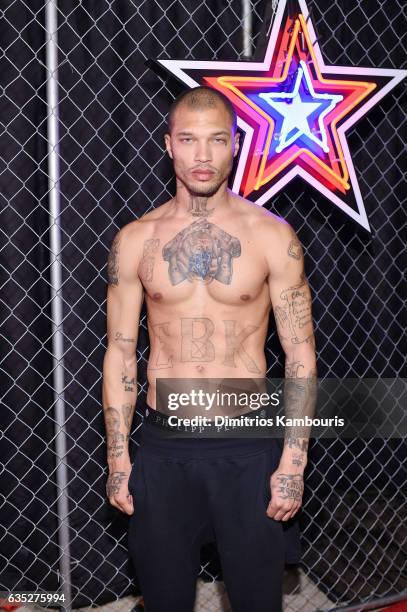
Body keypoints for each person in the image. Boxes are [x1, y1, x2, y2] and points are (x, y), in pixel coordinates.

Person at [102, 86, 317, 612]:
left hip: (247, 444)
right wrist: (118, 455)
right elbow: (121, 353)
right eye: (189, 140)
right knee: (165, 598)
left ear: (235, 146)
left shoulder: (273, 236)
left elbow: (301, 356)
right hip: (163, 443)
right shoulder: (135, 239)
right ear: (168, 145)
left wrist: (293, 462)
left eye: (217, 140)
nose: (203, 155)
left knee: (256, 601)